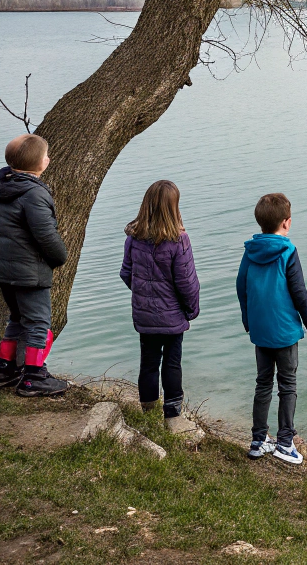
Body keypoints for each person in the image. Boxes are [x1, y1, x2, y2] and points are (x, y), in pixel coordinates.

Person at [236, 192, 307, 465]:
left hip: (260, 329)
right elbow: (298, 291)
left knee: (263, 383)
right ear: (287, 223)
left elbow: (241, 288)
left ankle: (258, 440)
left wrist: (248, 320)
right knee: (288, 385)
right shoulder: (288, 251)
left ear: (261, 223)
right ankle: (284, 442)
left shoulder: (250, 251)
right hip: (284, 331)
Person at [0, 134, 69, 395]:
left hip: (3, 269)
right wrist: (59, 257)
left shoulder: (5, 187)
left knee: (18, 318)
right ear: (40, 164)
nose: (48, 158)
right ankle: (34, 377)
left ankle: (5, 368)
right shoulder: (33, 193)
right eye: (46, 155)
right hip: (28, 271)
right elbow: (45, 233)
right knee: (38, 322)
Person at [120, 180, 201, 435]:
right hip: (172, 315)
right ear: (174, 207)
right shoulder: (179, 240)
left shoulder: (134, 238)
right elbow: (187, 282)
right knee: (172, 362)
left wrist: (145, 296)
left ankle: (147, 410)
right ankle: (173, 414)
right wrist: (191, 310)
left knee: (149, 362)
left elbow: (126, 273)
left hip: (145, 314)